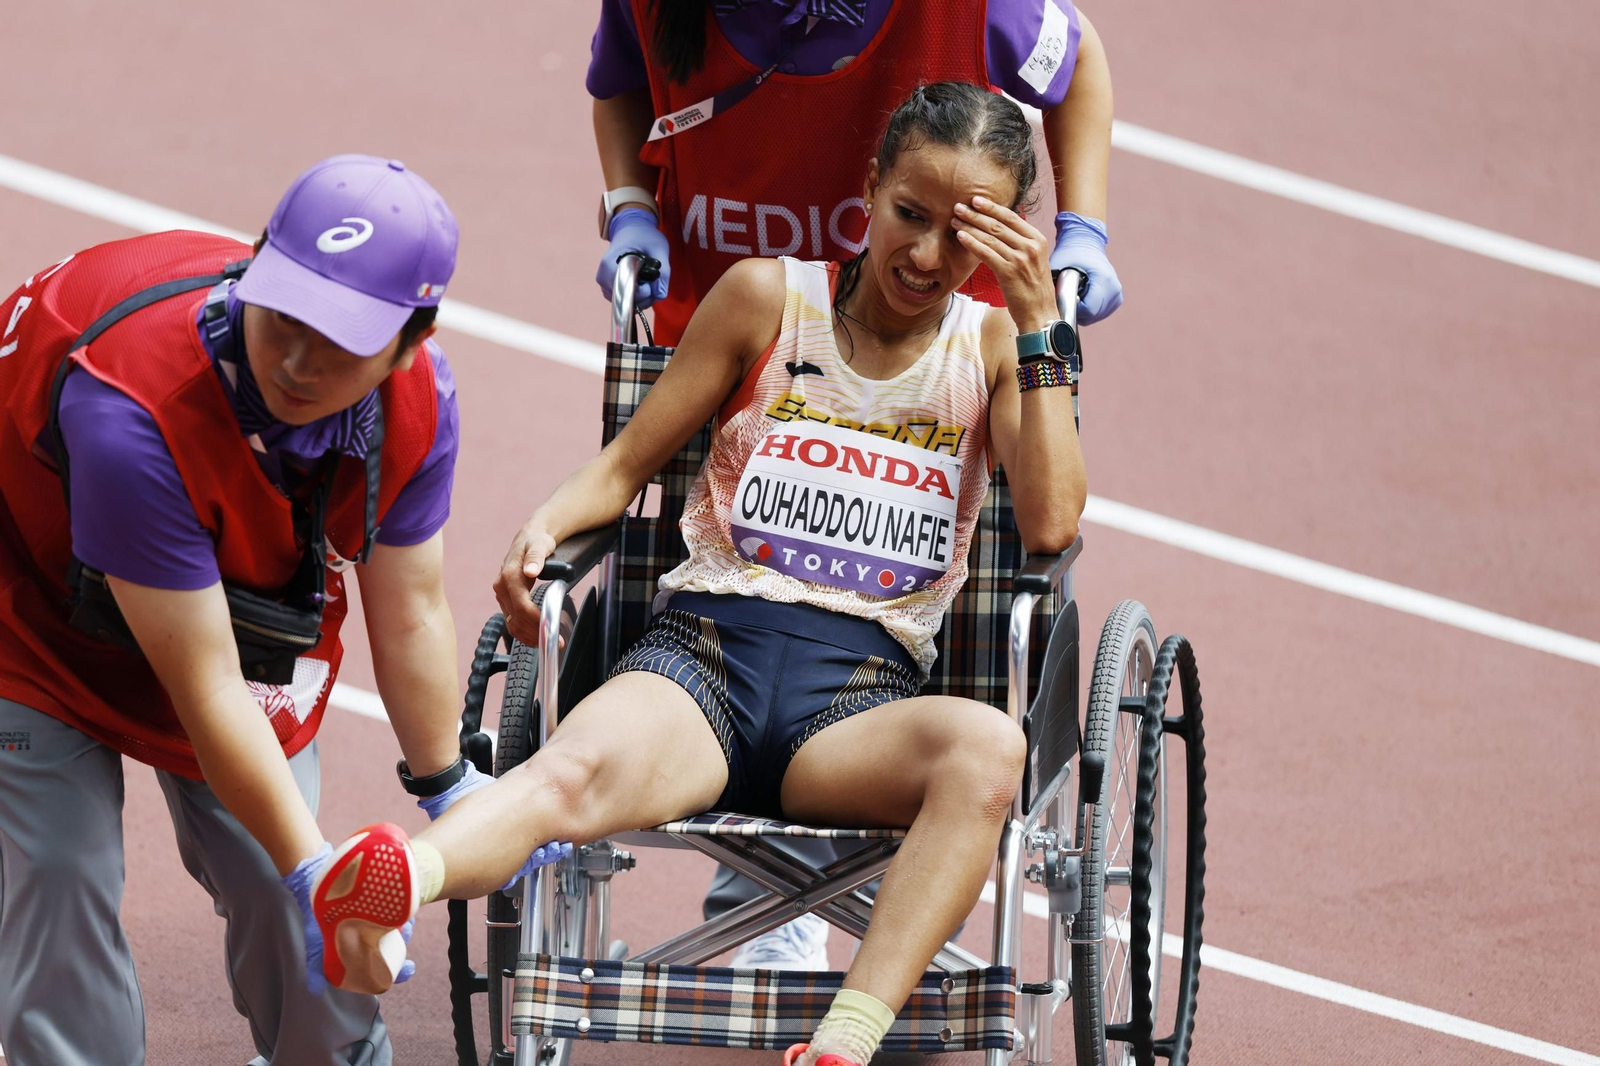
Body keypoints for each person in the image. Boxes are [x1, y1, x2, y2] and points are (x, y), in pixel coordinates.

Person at [315, 83, 1087, 1066]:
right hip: (701, 661)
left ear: (1008, 238)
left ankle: (843, 1042)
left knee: (986, 749)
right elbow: (627, 465)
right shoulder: (766, 298)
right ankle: (392, 878)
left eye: (964, 232)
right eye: (909, 214)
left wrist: (1034, 321)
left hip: (856, 704)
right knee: (569, 771)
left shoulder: (990, 349)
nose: (929, 255)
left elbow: (1052, 520)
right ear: (869, 188)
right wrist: (545, 524)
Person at [589, 0, 1115, 968]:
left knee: (889, 599)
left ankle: (854, 898)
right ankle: (774, 901)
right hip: (748, 311)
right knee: (748, 590)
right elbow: (618, 80)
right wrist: (629, 200)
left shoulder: (972, 8)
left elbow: (1077, 66)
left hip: (937, 328)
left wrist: (1079, 228)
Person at [0, 155, 490, 1066]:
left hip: (231, 604)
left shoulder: (420, 405)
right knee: (61, 877)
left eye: (340, 343)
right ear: (256, 268)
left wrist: (447, 785)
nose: (298, 364)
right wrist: (315, 871)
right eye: (284, 321)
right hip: (25, 609)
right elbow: (207, 687)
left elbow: (412, 609)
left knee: (281, 886)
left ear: (411, 340)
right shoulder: (129, 405)